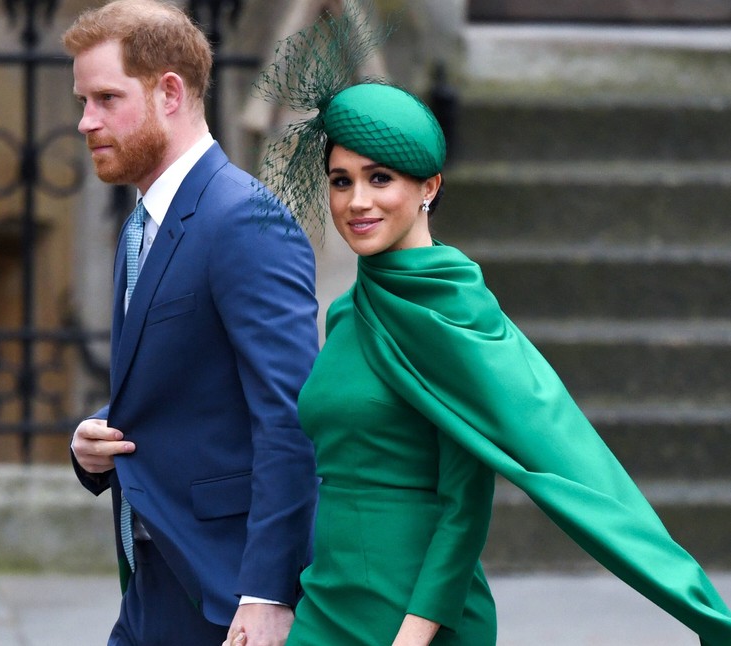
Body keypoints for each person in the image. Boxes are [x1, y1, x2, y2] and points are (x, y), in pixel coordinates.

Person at [250, 75, 731, 644]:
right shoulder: (346, 313)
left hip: (418, 617)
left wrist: (414, 632)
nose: (357, 201)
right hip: (327, 601)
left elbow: (466, 504)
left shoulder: (455, 314)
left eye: (380, 178)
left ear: (429, 186)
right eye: (341, 181)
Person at [62, 2, 319, 645]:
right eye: (82, 100)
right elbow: (183, 387)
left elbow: (292, 418)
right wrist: (93, 447)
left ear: (169, 91)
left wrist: (268, 593)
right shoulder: (139, 225)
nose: (85, 121)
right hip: (153, 582)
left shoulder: (244, 221)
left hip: (225, 598)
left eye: (105, 98)